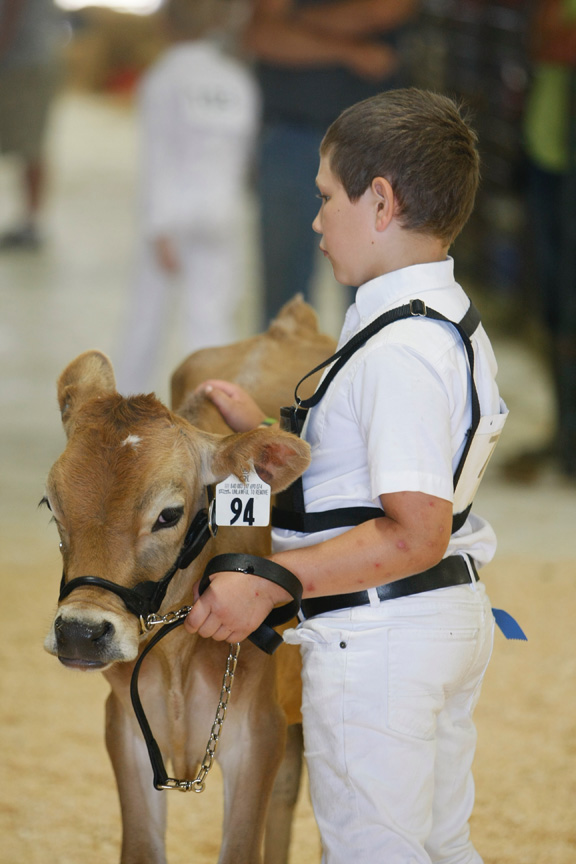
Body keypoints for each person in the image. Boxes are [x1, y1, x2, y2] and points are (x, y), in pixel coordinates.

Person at [185, 88, 508, 863]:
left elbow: (415, 529)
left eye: (328, 197)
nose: (316, 219)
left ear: (383, 201)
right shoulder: (425, 321)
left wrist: (268, 580)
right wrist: (259, 435)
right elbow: (376, 475)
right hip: (428, 623)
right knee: (435, 846)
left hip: (383, 637)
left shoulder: (400, 353)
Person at [243, 0, 419, 325]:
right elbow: (263, 34)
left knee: (374, 300)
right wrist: (351, 49)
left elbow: (384, 11)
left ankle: (367, 375)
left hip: (372, 145)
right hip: (290, 135)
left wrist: (296, 24)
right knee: (284, 310)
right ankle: (290, 378)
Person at [115, 0, 259, 396]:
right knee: (211, 321)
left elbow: (157, 157)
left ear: (166, 24)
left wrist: (158, 225)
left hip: (171, 215)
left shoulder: (163, 79)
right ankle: (212, 413)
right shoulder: (236, 79)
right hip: (222, 211)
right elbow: (244, 155)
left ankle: (125, 407)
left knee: (147, 318)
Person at [503, 0, 576, 481]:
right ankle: (567, 440)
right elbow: (538, 42)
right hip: (550, 155)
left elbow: (552, 43)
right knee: (557, 305)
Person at [0, 0, 64, 250]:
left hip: (24, 64)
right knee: (29, 144)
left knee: (30, 144)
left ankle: (32, 223)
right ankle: (31, 221)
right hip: (20, 62)